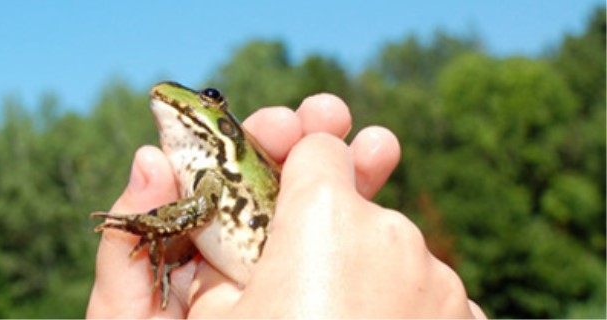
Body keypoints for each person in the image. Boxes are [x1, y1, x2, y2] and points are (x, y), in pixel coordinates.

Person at [87, 93, 487, 318]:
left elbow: (200, 210)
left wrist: (146, 223)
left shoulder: (214, 174)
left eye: (211, 97)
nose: (203, 99)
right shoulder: (200, 180)